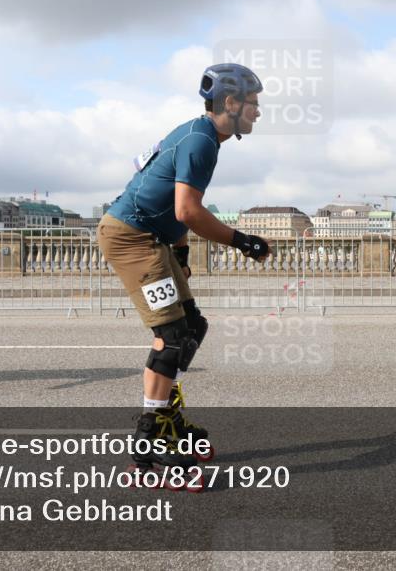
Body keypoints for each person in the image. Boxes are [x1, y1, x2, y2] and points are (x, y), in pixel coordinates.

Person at [99, 63, 271, 472]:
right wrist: (241, 241)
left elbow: (169, 202)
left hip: (152, 235)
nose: (258, 112)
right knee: (172, 334)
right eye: (253, 104)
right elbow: (187, 210)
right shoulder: (202, 142)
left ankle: (167, 414)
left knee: (193, 326)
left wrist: (180, 255)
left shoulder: (199, 134)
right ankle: (150, 431)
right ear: (230, 103)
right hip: (131, 236)